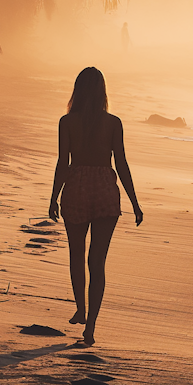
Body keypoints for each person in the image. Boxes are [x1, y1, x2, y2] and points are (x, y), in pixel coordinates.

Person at [48, 67, 143, 345]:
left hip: (75, 186)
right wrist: (135, 202)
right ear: (103, 91)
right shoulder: (113, 123)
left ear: (77, 90)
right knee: (97, 262)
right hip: (104, 188)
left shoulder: (67, 122)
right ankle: (90, 327)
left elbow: (62, 163)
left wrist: (53, 196)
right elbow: (121, 164)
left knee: (76, 254)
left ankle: (80, 307)